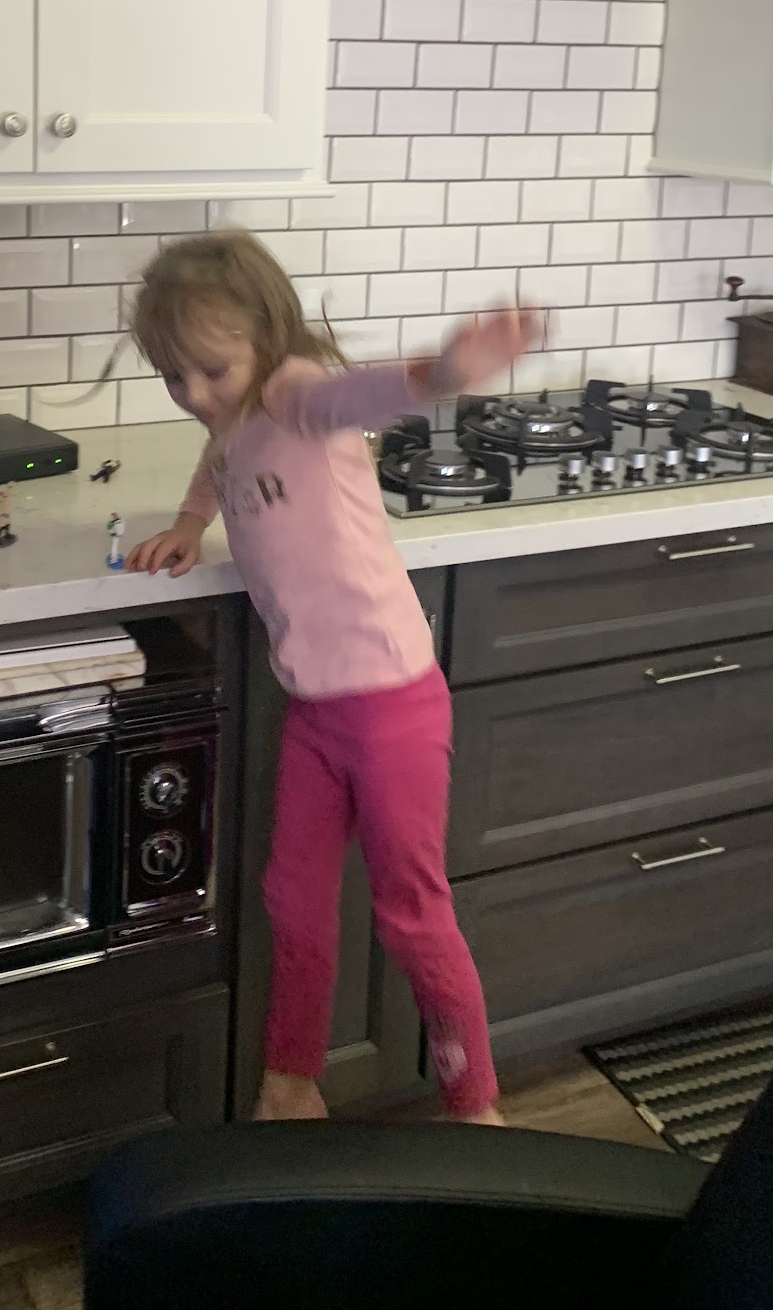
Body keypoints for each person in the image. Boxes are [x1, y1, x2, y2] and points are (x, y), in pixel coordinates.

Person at [122, 231, 541, 1124]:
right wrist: (191, 523)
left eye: (210, 371)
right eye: (172, 377)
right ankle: (290, 1085)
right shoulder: (236, 415)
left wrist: (445, 370)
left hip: (391, 705)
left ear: (268, 337)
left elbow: (369, 391)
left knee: (411, 913)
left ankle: (475, 1105)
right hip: (314, 708)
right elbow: (221, 456)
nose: (195, 395)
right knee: (294, 901)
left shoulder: (296, 392)